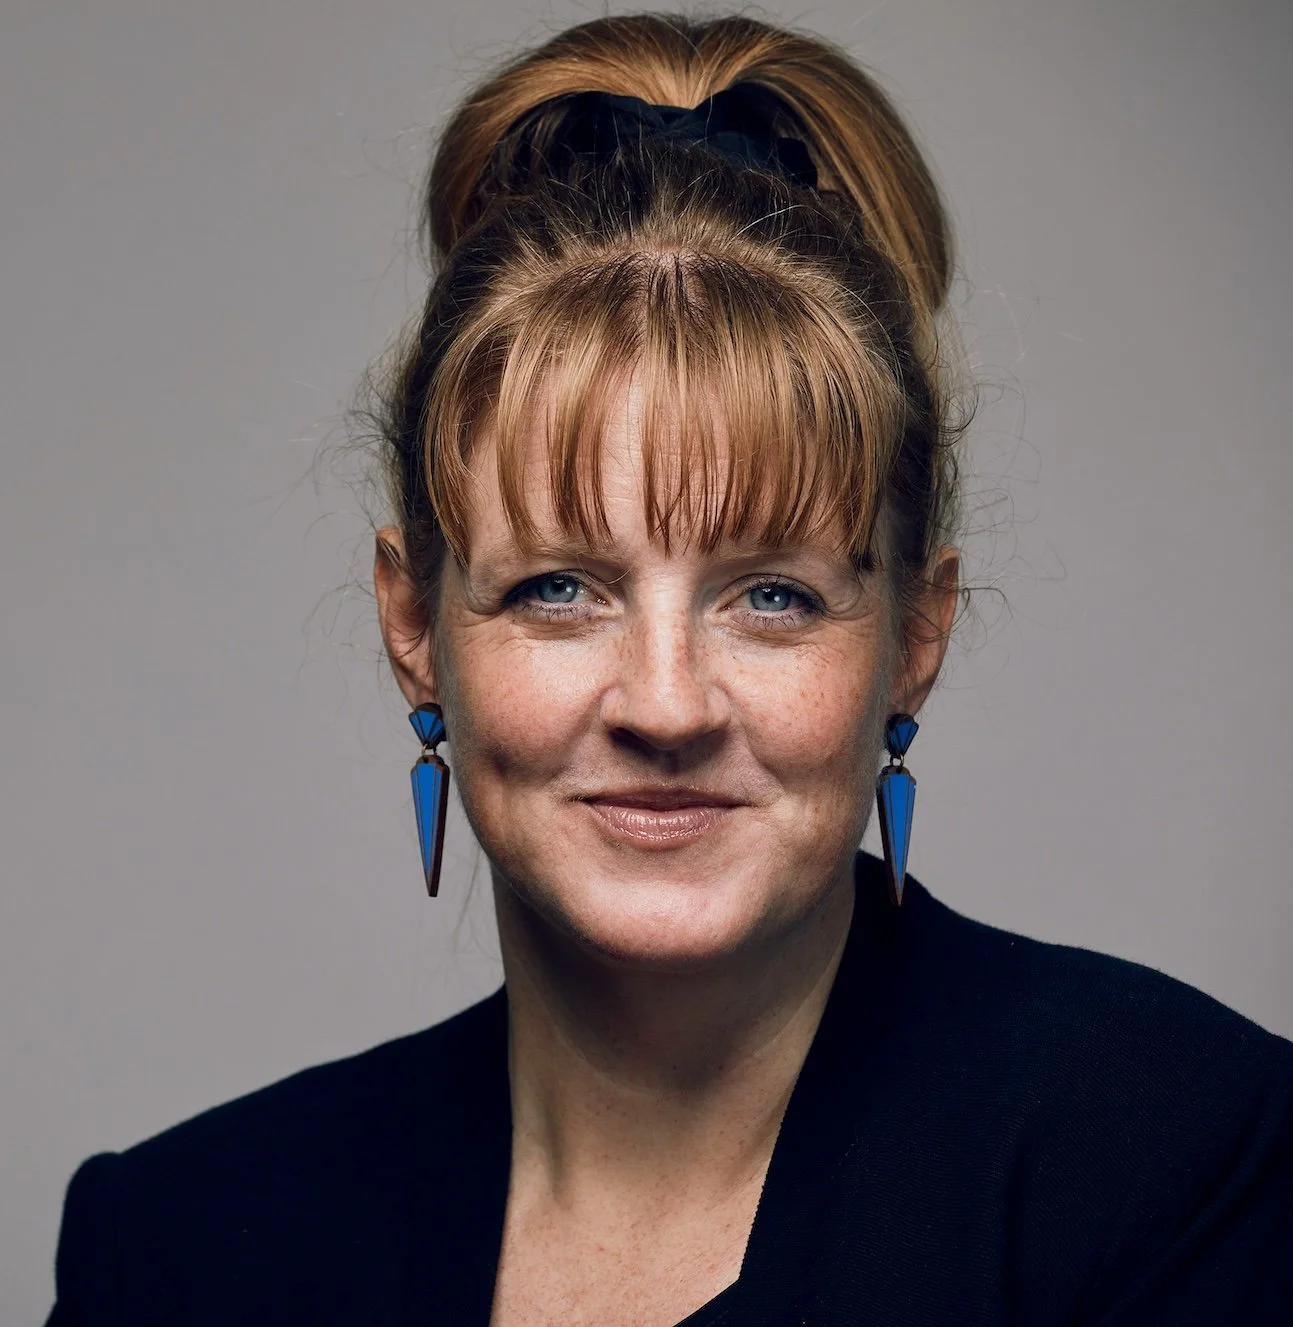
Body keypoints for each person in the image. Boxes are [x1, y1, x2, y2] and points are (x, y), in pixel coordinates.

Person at [45, 12, 1292, 1325]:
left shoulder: (1177, 1166)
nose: (665, 704)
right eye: (559, 590)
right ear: (414, 624)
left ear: (915, 638)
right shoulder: (179, 1252)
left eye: (772, 596)